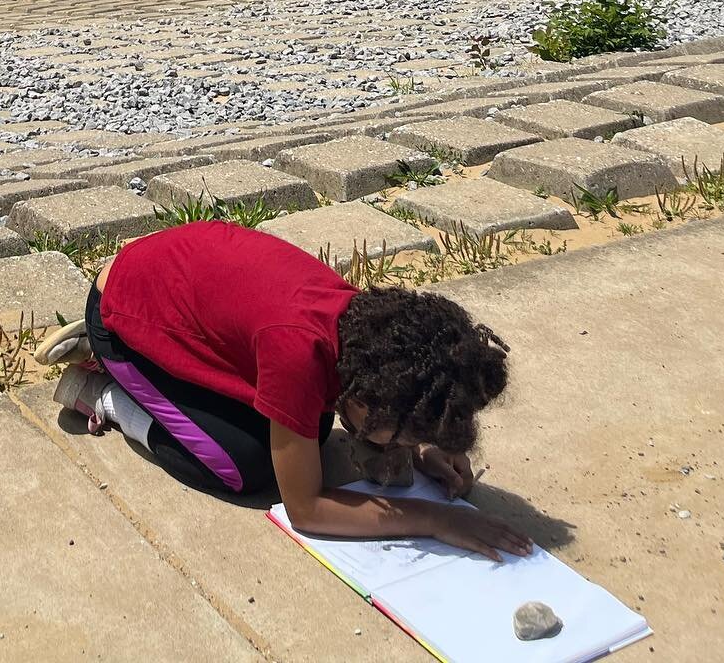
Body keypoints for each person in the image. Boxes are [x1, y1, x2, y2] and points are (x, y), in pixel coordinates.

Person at [45, 221, 531, 560]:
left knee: (307, 433)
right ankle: (106, 388)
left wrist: (427, 443)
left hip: (174, 279)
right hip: (122, 310)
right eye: (399, 434)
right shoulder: (299, 351)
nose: (401, 448)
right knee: (244, 467)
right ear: (367, 393)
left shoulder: (371, 334)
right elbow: (307, 509)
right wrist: (437, 520)